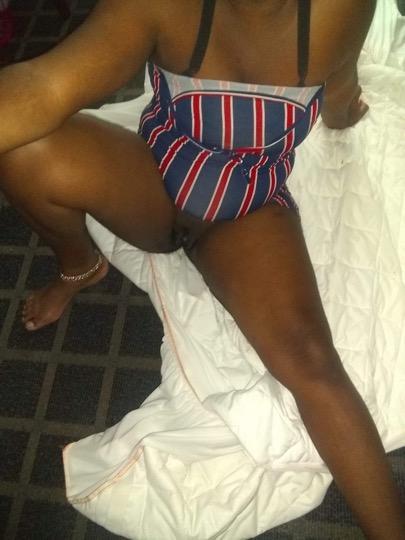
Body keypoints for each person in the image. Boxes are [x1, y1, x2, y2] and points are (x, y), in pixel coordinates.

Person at [0, 0, 404, 537]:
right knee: (26, 154)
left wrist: (346, 115)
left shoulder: (343, 7)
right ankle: (81, 265)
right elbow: (43, 87)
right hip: (151, 181)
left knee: (311, 362)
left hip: (248, 205)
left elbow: (341, 86)